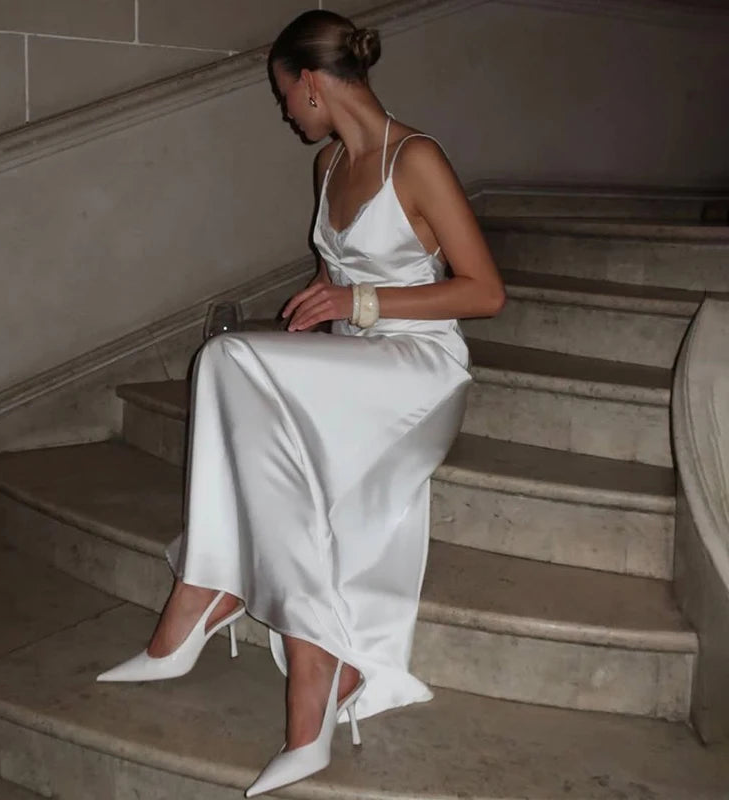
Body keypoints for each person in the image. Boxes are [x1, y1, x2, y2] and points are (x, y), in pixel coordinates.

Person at [98, 9, 504, 796]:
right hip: (353, 363)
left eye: (287, 95)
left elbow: (485, 291)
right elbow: (349, 279)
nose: (286, 111)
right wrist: (330, 295)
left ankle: (218, 601)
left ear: (314, 82)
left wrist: (360, 304)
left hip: (419, 370)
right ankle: (306, 660)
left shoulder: (415, 159)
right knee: (225, 360)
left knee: (234, 359)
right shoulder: (325, 169)